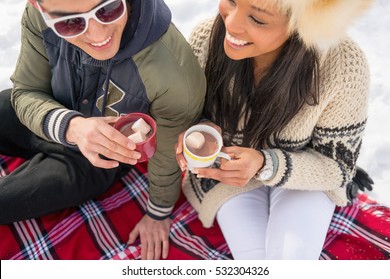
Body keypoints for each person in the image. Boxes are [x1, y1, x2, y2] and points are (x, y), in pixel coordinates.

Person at [0, 0, 206, 260]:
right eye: (69, 22)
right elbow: (27, 91)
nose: (98, 35)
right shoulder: (38, 16)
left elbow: (167, 149)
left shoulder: (173, 73)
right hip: (49, 111)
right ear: (39, 8)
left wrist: (158, 212)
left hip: (97, 161)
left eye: (108, 9)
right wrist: (72, 127)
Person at [176, 0, 373, 259]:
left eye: (257, 19)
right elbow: (186, 116)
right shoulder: (205, 39)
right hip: (227, 178)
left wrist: (265, 164)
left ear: (303, 26)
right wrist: (199, 127)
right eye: (232, 1)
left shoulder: (343, 66)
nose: (231, 23)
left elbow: (339, 166)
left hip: (306, 178)